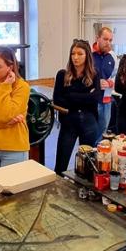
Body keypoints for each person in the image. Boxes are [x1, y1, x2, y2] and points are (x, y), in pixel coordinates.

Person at [53, 40, 102, 174]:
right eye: (73, 53)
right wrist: (86, 96)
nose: (75, 57)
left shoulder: (94, 75)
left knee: (87, 165)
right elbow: (58, 100)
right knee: (61, 164)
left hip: (89, 122)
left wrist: (70, 95)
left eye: (80, 54)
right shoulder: (62, 75)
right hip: (69, 122)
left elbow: (96, 98)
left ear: (87, 56)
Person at [92, 26, 117, 143]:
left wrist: (109, 82)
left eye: (110, 40)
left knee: (103, 131)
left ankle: (98, 152)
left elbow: (117, 76)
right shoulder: (89, 55)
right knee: (89, 131)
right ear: (97, 38)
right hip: (91, 100)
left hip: (106, 101)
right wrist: (96, 82)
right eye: (105, 39)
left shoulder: (113, 56)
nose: (108, 43)